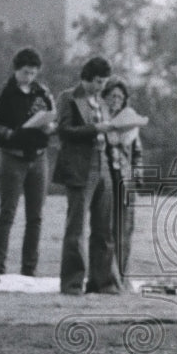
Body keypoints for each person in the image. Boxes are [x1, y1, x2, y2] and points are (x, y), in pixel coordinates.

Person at [0, 47, 57, 278]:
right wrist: (8, 134)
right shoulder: (1, 92)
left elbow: (54, 117)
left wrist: (49, 127)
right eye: (25, 72)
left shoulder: (42, 92)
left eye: (33, 73)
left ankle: (29, 269)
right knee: (7, 213)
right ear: (16, 70)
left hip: (38, 156)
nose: (29, 77)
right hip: (13, 157)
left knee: (36, 216)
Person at [52, 56, 123, 295]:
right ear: (89, 79)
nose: (103, 87)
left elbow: (105, 130)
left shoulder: (101, 102)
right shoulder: (68, 97)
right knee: (76, 229)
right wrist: (95, 129)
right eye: (100, 82)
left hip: (103, 163)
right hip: (80, 167)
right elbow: (64, 130)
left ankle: (102, 281)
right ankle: (72, 283)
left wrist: (113, 133)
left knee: (104, 227)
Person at [102, 77, 144, 281]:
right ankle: (107, 273)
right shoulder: (100, 118)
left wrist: (138, 173)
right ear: (106, 97)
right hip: (106, 174)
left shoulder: (130, 119)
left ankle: (122, 273)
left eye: (120, 96)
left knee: (125, 226)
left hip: (125, 177)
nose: (116, 100)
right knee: (106, 224)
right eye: (112, 96)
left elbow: (137, 151)